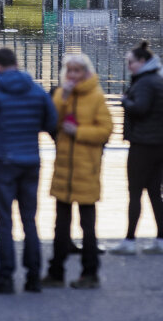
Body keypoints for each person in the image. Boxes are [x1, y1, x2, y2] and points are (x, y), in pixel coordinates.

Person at [0, 47, 57, 295]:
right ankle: (34, 277)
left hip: (4, 162)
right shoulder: (37, 90)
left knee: (4, 221)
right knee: (30, 220)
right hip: (31, 161)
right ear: (17, 63)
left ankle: (5, 276)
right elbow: (51, 123)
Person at [44, 53, 112, 290]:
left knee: (87, 226)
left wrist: (79, 132)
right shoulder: (63, 94)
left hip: (86, 171)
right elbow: (52, 121)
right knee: (60, 226)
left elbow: (105, 131)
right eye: (69, 71)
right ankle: (56, 272)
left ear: (85, 72)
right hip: (64, 170)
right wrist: (61, 98)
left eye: (76, 71)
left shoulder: (96, 97)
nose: (72, 75)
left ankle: (90, 272)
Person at [112, 40, 163, 256]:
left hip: (144, 143)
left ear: (142, 61)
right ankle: (161, 240)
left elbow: (140, 108)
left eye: (130, 62)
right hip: (161, 143)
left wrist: (124, 101)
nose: (128, 65)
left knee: (135, 192)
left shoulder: (146, 82)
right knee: (156, 192)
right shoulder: (159, 79)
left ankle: (129, 241)